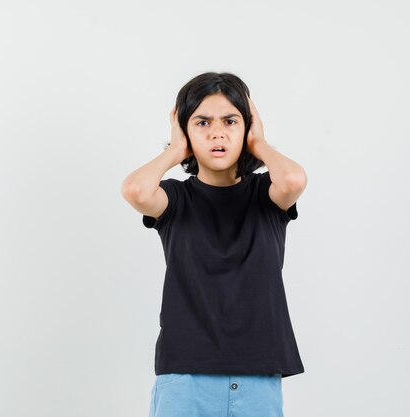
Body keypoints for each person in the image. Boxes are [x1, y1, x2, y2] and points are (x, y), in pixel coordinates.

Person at [121, 72, 307, 417]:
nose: (217, 132)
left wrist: (260, 145)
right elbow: (136, 190)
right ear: (186, 131)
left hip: (257, 374)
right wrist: (175, 150)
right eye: (202, 122)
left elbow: (294, 179)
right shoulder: (175, 199)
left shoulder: (266, 196)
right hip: (185, 375)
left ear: (248, 128)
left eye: (230, 121)